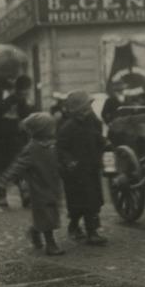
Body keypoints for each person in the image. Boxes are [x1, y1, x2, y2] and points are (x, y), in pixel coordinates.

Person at [0, 112, 65, 256]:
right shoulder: (32, 148)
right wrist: (5, 180)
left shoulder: (53, 145)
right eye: (50, 127)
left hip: (53, 184)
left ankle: (35, 231)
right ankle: (50, 243)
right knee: (46, 215)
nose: (54, 129)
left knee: (52, 213)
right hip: (39, 188)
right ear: (43, 130)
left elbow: (59, 161)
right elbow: (18, 165)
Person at [57, 90, 108, 245]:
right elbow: (61, 148)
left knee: (92, 201)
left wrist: (104, 143)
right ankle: (91, 233)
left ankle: (78, 227)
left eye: (89, 107)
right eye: (85, 108)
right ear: (75, 111)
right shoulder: (67, 127)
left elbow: (97, 137)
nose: (88, 111)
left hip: (91, 167)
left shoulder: (93, 122)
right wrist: (69, 161)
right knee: (82, 202)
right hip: (76, 173)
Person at [0, 74, 33, 208]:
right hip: (0, 136)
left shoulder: (20, 95)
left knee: (19, 163)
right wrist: (11, 99)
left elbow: (25, 114)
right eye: (9, 78)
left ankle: (25, 194)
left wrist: (23, 101)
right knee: (0, 166)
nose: (12, 80)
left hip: (16, 135)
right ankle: (2, 196)